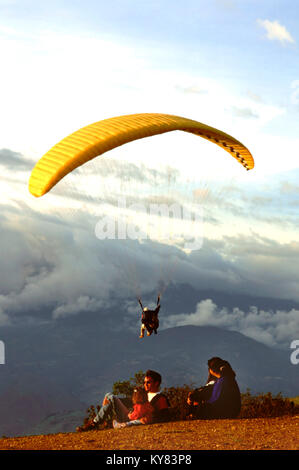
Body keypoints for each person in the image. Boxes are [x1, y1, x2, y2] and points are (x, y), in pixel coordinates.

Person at [78, 369, 170, 431]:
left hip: (133, 419)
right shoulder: (143, 394)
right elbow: (129, 401)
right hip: (130, 415)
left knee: (111, 397)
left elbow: (164, 416)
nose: (145, 384)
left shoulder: (160, 398)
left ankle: (95, 423)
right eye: (144, 382)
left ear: (157, 383)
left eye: (148, 382)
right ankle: (98, 422)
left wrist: (148, 418)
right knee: (109, 397)